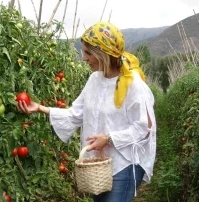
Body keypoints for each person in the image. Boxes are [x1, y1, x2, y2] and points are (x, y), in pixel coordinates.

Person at [17, 22, 156, 202]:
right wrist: (40, 108)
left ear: (104, 54)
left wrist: (109, 138)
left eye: (88, 53)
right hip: (98, 166)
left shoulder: (133, 84)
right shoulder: (94, 80)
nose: (84, 58)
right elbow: (76, 114)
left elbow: (145, 128)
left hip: (124, 163)